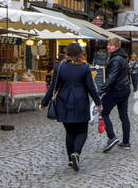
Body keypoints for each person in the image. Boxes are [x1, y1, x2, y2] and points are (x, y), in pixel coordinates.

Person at [39, 43, 101, 171]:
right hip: (80, 100)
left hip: (64, 100)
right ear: (80, 52)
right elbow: (91, 87)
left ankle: (70, 158)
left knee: (69, 131)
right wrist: (98, 102)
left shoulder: (60, 66)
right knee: (82, 130)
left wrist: (44, 103)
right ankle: (76, 153)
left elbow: (53, 87)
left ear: (67, 52)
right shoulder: (84, 67)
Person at [99, 37, 133, 151]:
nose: (108, 46)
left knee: (103, 112)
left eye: (111, 45)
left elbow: (112, 78)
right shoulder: (122, 57)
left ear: (116, 46)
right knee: (124, 115)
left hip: (116, 90)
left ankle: (112, 137)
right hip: (124, 89)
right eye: (108, 44)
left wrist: (100, 91)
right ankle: (126, 142)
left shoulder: (116, 59)